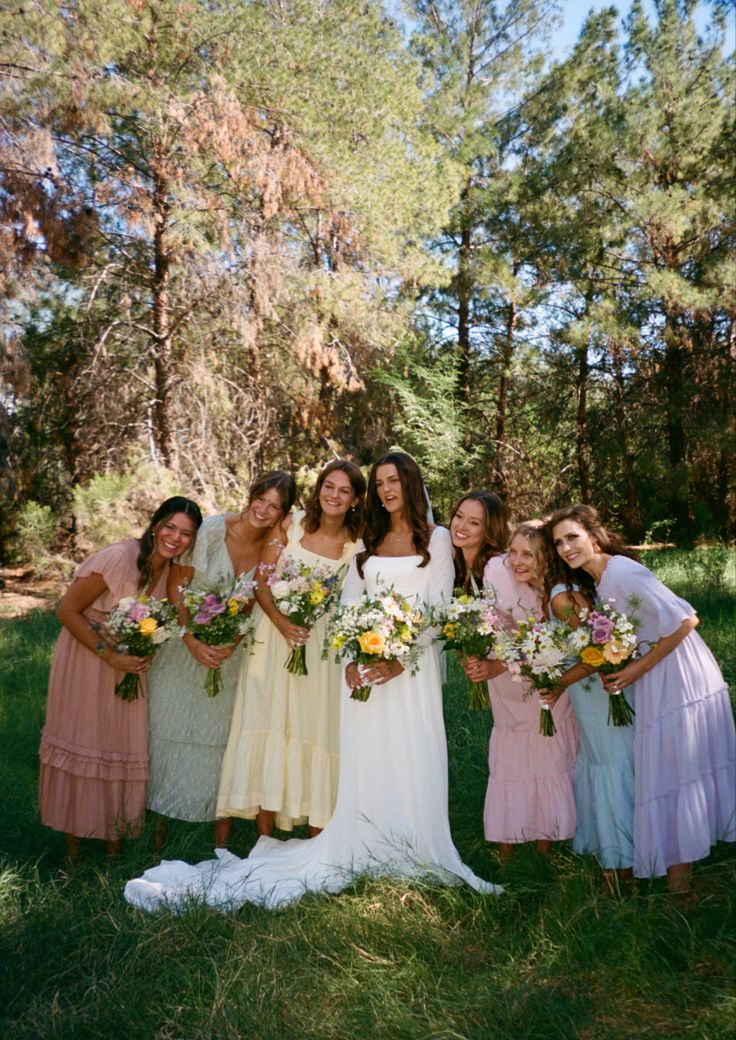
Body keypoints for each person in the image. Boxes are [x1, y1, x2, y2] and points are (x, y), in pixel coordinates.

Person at [124, 452, 501, 910]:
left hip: (408, 671)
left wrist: (398, 661)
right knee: (364, 757)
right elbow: (350, 601)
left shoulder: (437, 538)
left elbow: (438, 608)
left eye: (393, 481)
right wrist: (351, 657)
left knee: (411, 752)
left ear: (409, 483)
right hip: (361, 664)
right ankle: (359, 837)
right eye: (380, 483)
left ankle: (415, 844)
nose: (386, 490)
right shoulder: (371, 535)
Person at [547, 504, 736, 894]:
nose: (566, 548)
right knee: (666, 773)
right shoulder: (599, 582)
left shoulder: (622, 572)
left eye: (573, 537)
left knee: (677, 773)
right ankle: (677, 881)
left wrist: (635, 669)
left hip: (678, 673)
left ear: (593, 536)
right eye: (558, 543)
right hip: (655, 673)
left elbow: (686, 620)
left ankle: (681, 889)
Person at [39, 497, 202, 864]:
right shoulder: (118, 556)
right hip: (87, 660)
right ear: (155, 524)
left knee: (120, 744)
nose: (175, 538)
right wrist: (107, 652)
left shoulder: (171, 572)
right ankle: (73, 851)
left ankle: (113, 842)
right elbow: (66, 609)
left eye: (186, 534)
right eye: (170, 527)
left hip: (129, 669)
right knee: (83, 740)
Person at [146, 472, 297, 849]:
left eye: (274, 506)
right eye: (260, 499)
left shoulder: (275, 545)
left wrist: (234, 638)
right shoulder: (213, 530)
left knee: (217, 739)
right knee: (171, 731)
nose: (264, 510)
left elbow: (260, 601)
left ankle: (217, 827)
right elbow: (176, 587)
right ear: (251, 496)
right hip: (185, 647)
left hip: (230, 653)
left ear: (283, 513)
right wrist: (192, 639)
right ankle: (158, 824)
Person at [216, 460, 366, 837]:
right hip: (272, 637)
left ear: (355, 499)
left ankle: (316, 831)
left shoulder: (355, 545)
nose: (333, 495)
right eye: (328, 486)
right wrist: (283, 624)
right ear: (318, 490)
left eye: (344, 490)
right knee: (267, 722)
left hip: (318, 647)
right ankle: (263, 835)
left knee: (313, 726)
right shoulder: (292, 524)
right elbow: (263, 584)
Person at [461, 521, 578, 861]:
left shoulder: (558, 592)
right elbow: (494, 622)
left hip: (551, 680)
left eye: (528, 554)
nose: (517, 561)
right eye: (513, 551)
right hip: (507, 677)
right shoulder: (497, 573)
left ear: (545, 557)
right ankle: (506, 842)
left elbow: (570, 642)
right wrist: (487, 658)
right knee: (512, 760)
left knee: (548, 754)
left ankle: (546, 840)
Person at [541, 537, 635, 882]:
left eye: (533, 553)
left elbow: (597, 651)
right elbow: (591, 649)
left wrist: (559, 682)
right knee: (607, 764)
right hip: (590, 690)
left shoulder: (568, 593)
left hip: (601, 688)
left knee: (615, 763)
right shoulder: (563, 593)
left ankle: (625, 859)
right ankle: (616, 859)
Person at [449, 491, 509, 593]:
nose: (461, 526)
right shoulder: (450, 560)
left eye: (474, 523)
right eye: (459, 516)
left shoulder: (499, 567)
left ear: (490, 529)